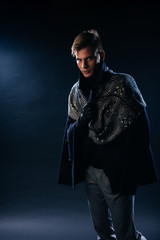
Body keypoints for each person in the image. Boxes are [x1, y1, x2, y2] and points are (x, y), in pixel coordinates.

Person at [58, 29, 158, 240]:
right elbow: (70, 134)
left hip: (118, 171)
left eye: (89, 59)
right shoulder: (76, 92)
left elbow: (141, 134)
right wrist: (83, 121)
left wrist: (128, 175)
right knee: (102, 230)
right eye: (79, 60)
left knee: (125, 234)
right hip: (91, 171)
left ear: (100, 56)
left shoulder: (123, 83)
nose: (84, 65)